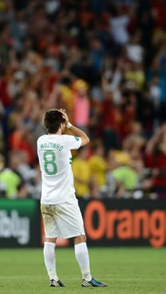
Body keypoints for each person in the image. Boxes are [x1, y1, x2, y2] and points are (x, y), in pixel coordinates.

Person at [37, 108, 106, 287]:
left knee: (50, 239)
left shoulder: (40, 141)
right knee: (80, 236)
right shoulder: (65, 141)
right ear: (61, 124)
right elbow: (85, 139)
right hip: (65, 199)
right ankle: (87, 278)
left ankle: (53, 278)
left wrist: (60, 122)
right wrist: (69, 124)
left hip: (46, 199)